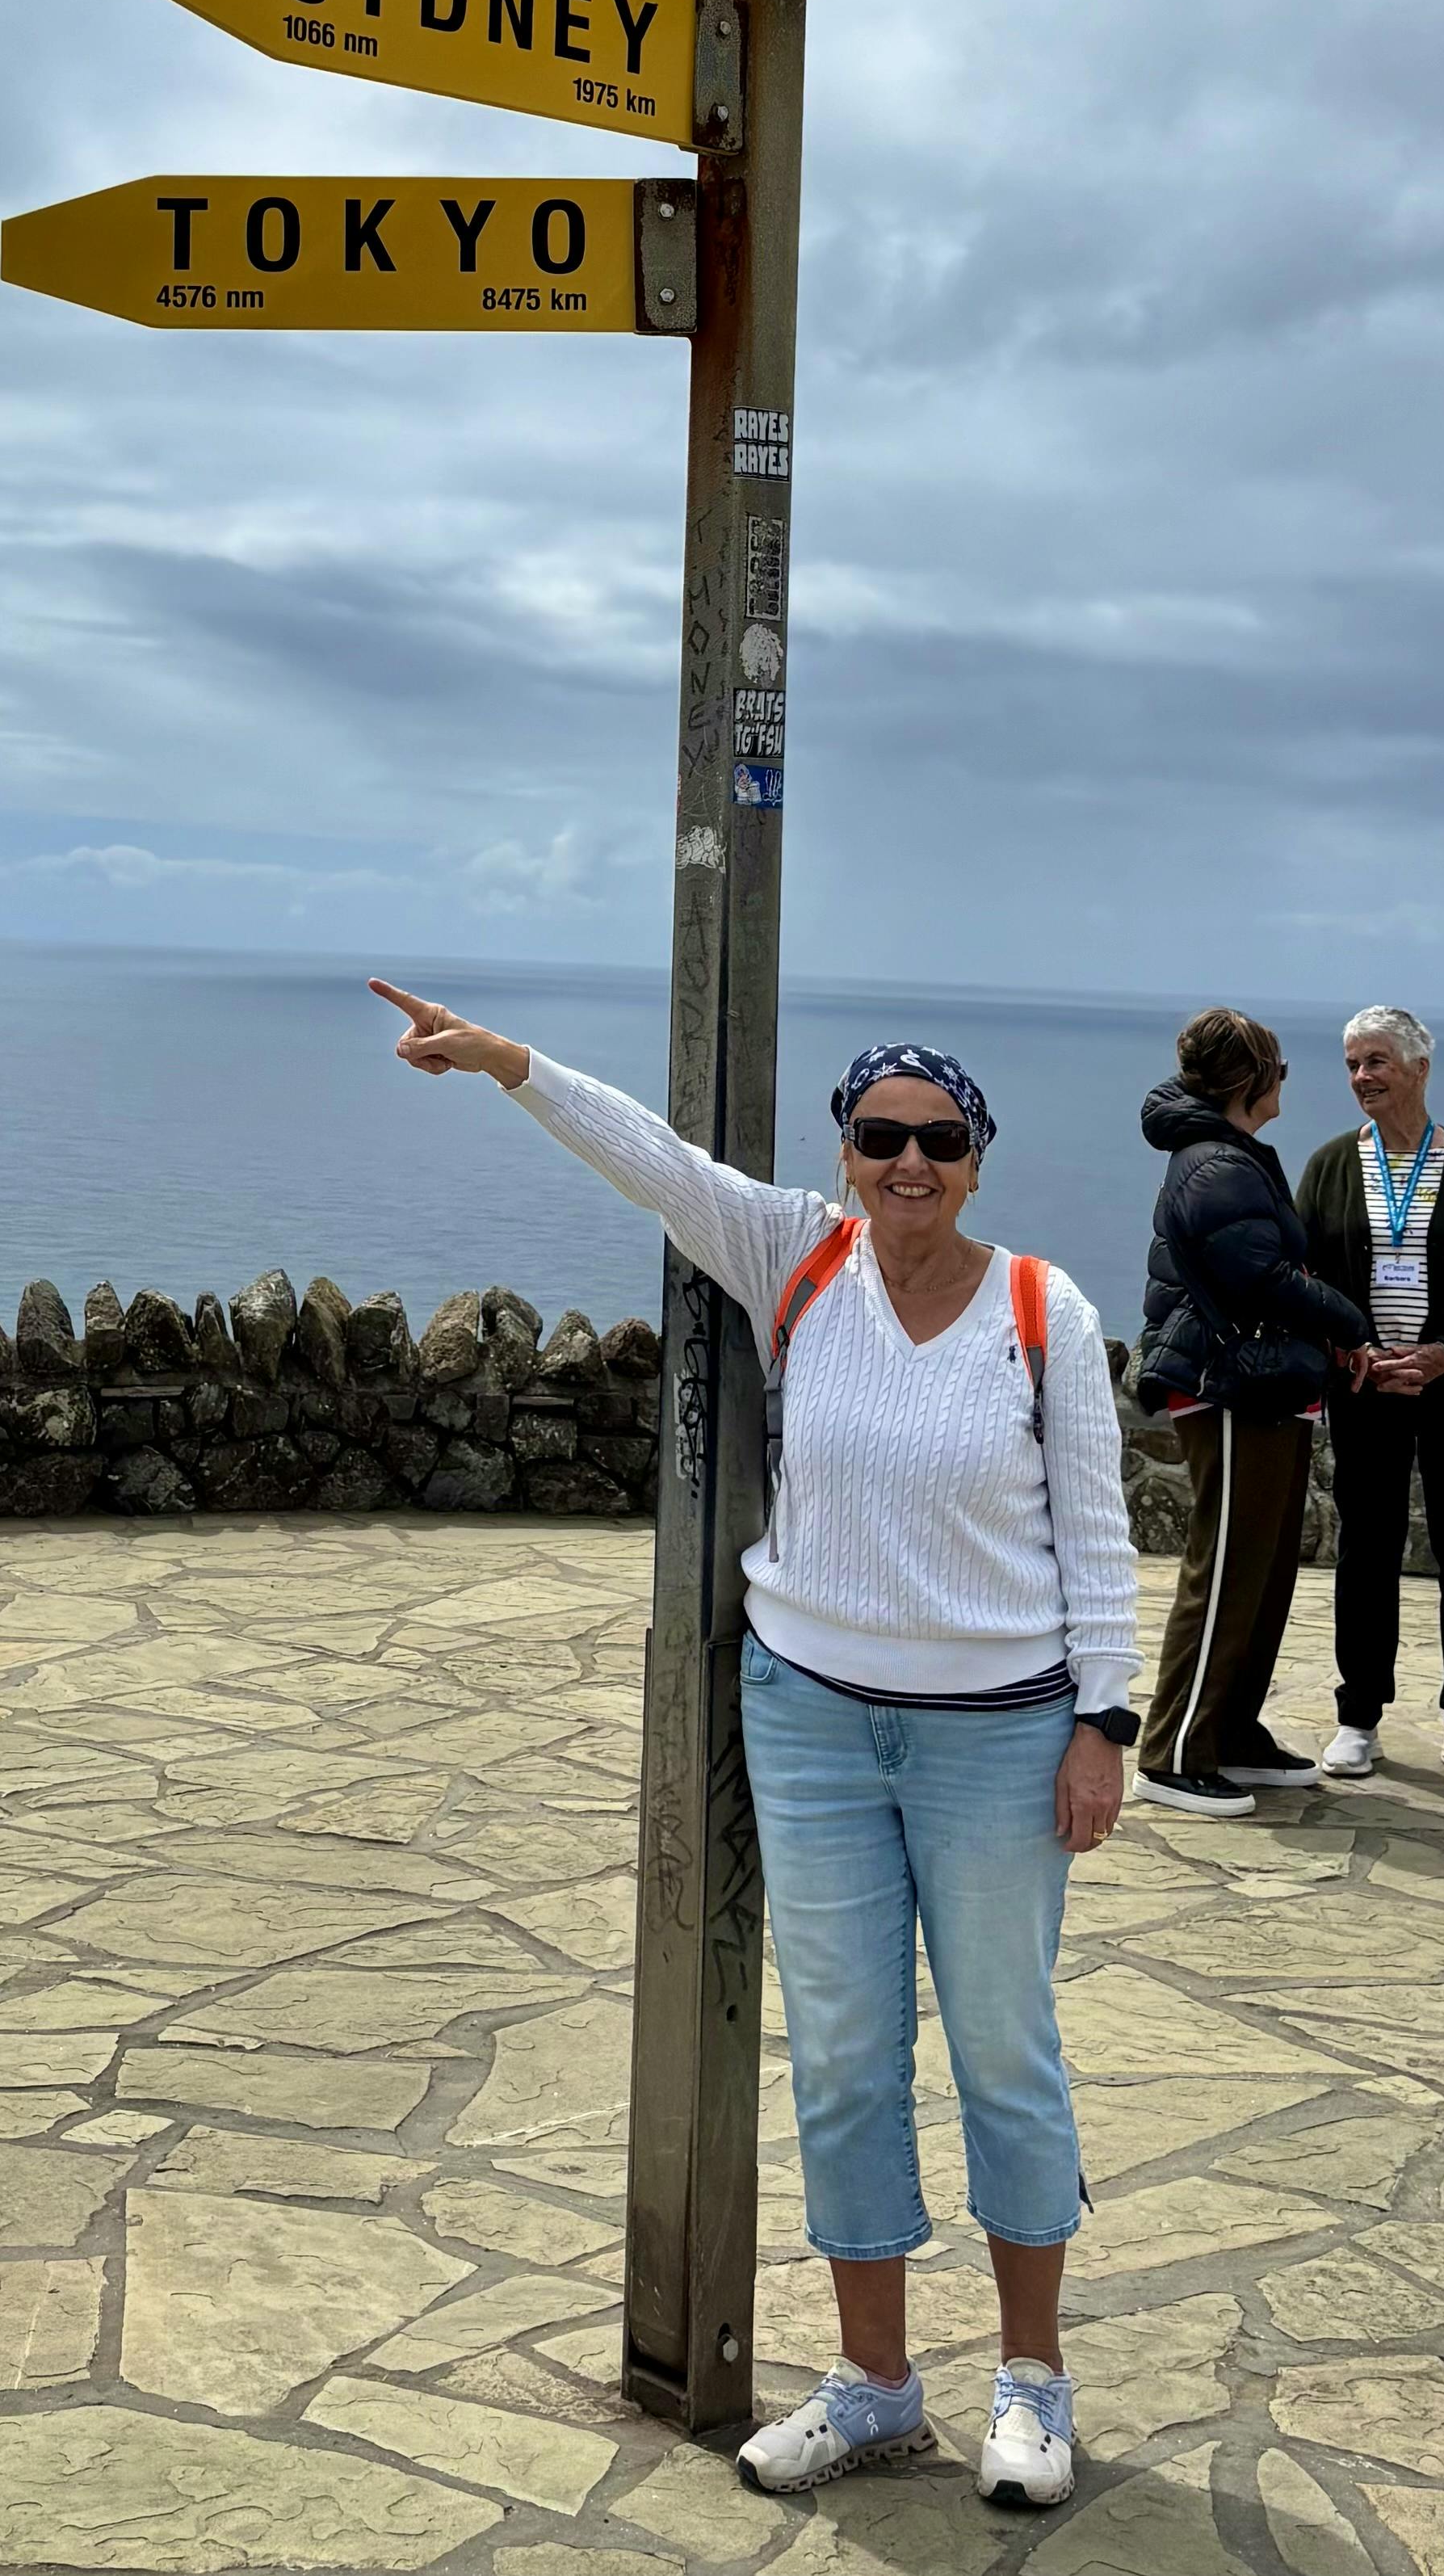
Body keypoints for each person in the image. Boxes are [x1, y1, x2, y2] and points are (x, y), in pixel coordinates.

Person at [372, 981, 1135, 2516]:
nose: (904, 1163)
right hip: (810, 1718)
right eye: (878, 1136)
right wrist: (507, 1062)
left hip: (998, 1732)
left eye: (934, 1140)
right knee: (847, 2058)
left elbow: (1101, 1539)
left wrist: (1103, 1722)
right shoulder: (798, 1254)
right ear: (844, 1152)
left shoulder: (1042, 1311)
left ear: (975, 1158)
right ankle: (872, 2382)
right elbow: (651, 1158)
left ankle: (1031, 2381)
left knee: (1004, 2051)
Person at [1131, 1006, 1375, 1818]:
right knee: (1227, 1568)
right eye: (1279, 1067)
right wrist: (1348, 1319)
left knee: (1262, 1571)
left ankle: (1229, 1731)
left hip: (1263, 1385)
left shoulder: (1227, 1157)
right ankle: (1171, 1751)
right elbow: (1259, 1276)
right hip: (1231, 1384)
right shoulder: (1216, 1166)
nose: (1284, 1082)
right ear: (1251, 1077)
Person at [1298, 1006, 1444, 1789]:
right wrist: (1350, 1345)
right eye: (1352, 1063)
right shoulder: (1330, 1165)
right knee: (1366, 1548)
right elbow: (1308, 1275)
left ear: (1419, 1068)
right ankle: (1357, 1716)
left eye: (1376, 1061)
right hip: (1365, 1389)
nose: (1362, 1076)